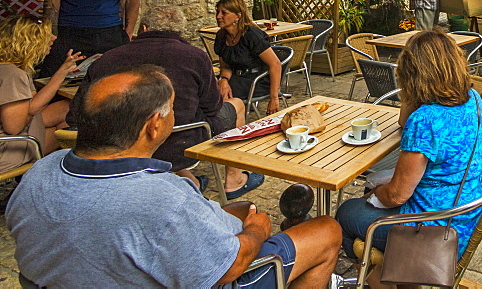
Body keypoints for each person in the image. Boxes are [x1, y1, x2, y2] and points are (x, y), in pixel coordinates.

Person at [7, 66, 340, 288]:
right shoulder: (163, 198)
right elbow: (232, 266)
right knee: (326, 229)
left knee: (242, 208)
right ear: (154, 125)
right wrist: (255, 231)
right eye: (171, 108)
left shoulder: (40, 174)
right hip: (222, 271)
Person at [336, 32, 482, 288]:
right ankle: (392, 275)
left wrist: (375, 193)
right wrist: (417, 95)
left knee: (347, 212)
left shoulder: (426, 120)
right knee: (374, 190)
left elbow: (396, 195)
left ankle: (376, 279)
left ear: (411, 73)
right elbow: (402, 122)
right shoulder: (472, 98)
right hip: (468, 210)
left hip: (435, 230)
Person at [68, 6, 261, 198]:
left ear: (143, 29)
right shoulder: (194, 56)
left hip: (117, 145)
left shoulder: (108, 58)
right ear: (179, 32)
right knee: (236, 105)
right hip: (182, 141)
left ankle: (191, 181)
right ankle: (234, 180)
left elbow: (76, 115)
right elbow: (212, 107)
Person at [0, 14, 82, 166]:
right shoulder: (13, 75)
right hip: (9, 150)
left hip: (11, 139)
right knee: (69, 133)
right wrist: (30, 113)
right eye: (46, 35)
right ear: (30, 41)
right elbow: (13, 127)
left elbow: (32, 106)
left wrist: (62, 71)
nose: (54, 38)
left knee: (67, 108)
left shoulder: (9, 68)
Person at [214, 0, 284, 115]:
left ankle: (228, 124)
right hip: (235, 78)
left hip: (256, 80)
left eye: (224, 13)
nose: (218, 16)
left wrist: (274, 98)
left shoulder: (251, 35)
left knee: (217, 96)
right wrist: (223, 80)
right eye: (217, 12)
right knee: (207, 90)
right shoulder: (221, 36)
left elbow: (275, 64)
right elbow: (225, 66)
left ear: (238, 15)